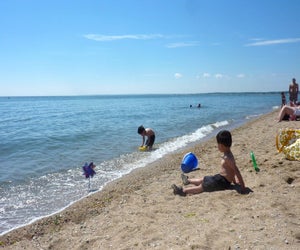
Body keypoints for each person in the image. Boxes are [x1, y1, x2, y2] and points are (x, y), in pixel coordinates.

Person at [172, 130, 246, 196]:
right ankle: (188, 181)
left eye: (218, 144)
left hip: (222, 182)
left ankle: (182, 191)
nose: (217, 146)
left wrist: (242, 187)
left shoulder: (228, 158)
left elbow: (236, 171)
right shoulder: (228, 154)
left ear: (222, 145)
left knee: (202, 187)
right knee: (204, 179)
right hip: (220, 178)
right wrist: (234, 182)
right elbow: (231, 171)